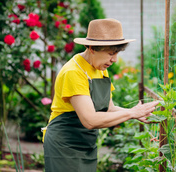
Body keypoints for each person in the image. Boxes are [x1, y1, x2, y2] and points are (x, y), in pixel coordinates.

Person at [43, 18, 159, 172]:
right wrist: (131, 113)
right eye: (111, 53)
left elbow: (109, 109)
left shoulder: (100, 67)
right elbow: (90, 120)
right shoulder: (74, 72)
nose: (115, 59)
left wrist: (137, 113)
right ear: (92, 48)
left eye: (117, 53)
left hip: (86, 144)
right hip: (64, 145)